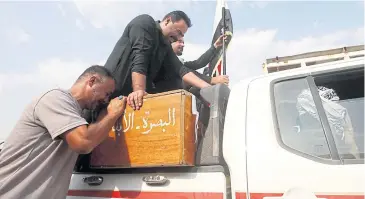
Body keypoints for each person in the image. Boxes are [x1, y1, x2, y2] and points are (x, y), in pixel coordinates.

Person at [0, 65, 127, 199]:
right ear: (92, 81)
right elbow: (84, 143)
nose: (106, 100)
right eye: (107, 94)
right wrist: (112, 115)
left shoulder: (79, 116)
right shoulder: (55, 99)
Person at [104, 10, 210, 111]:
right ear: (167, 21)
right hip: (107, 94)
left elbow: (180, 69)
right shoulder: (145, 23)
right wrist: (139, 90)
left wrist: (209, 88)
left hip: (129, 101)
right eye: (178, 32)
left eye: (181, 35)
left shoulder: (165, 46)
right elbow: (140, 57)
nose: (178, 37)